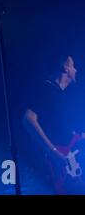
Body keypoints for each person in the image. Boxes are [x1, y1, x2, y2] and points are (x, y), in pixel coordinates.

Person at [23, 54, 85, 194]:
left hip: (70, 162)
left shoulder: (65, 95)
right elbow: (28, 119)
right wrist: (54, 152)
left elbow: (66, 131)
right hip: (54, 162)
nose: (76, 70)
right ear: (65, 68)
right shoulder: (47, 88)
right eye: (73, 65)